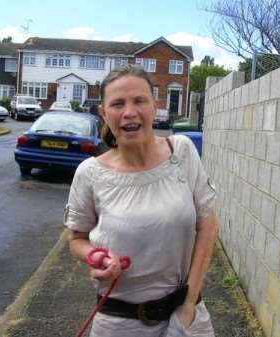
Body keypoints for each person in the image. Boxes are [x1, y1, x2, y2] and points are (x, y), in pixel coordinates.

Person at [63, 64, 218, 337]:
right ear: (104, 113)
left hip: (184, 317)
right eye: (118, 103)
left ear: (154, 106)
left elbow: (208, 225)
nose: (129, 112)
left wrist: (188, 305)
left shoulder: (180, 151)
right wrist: (95, 256)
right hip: (118, 324)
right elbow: (77, 240)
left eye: (139, 101)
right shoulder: (90, 173)